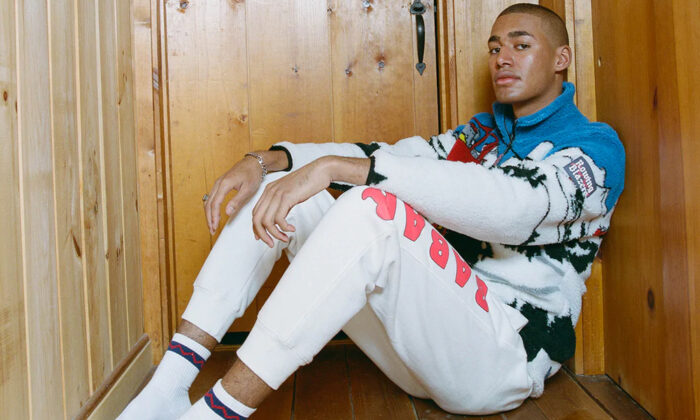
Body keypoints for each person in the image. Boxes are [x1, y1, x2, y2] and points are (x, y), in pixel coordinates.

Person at [119, 3, 625, 419]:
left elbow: (513, 207)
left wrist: (337, 169)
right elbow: (392, 156)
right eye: (495, 48)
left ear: (561, 58)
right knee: (278, 189)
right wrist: (269, 160)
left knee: (371, 207)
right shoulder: (480, 133)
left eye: (520, 45)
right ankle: (168, 388)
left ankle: (215, 414)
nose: (502, 59)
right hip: (423, 353)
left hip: (500, 358)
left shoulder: (593, 149)